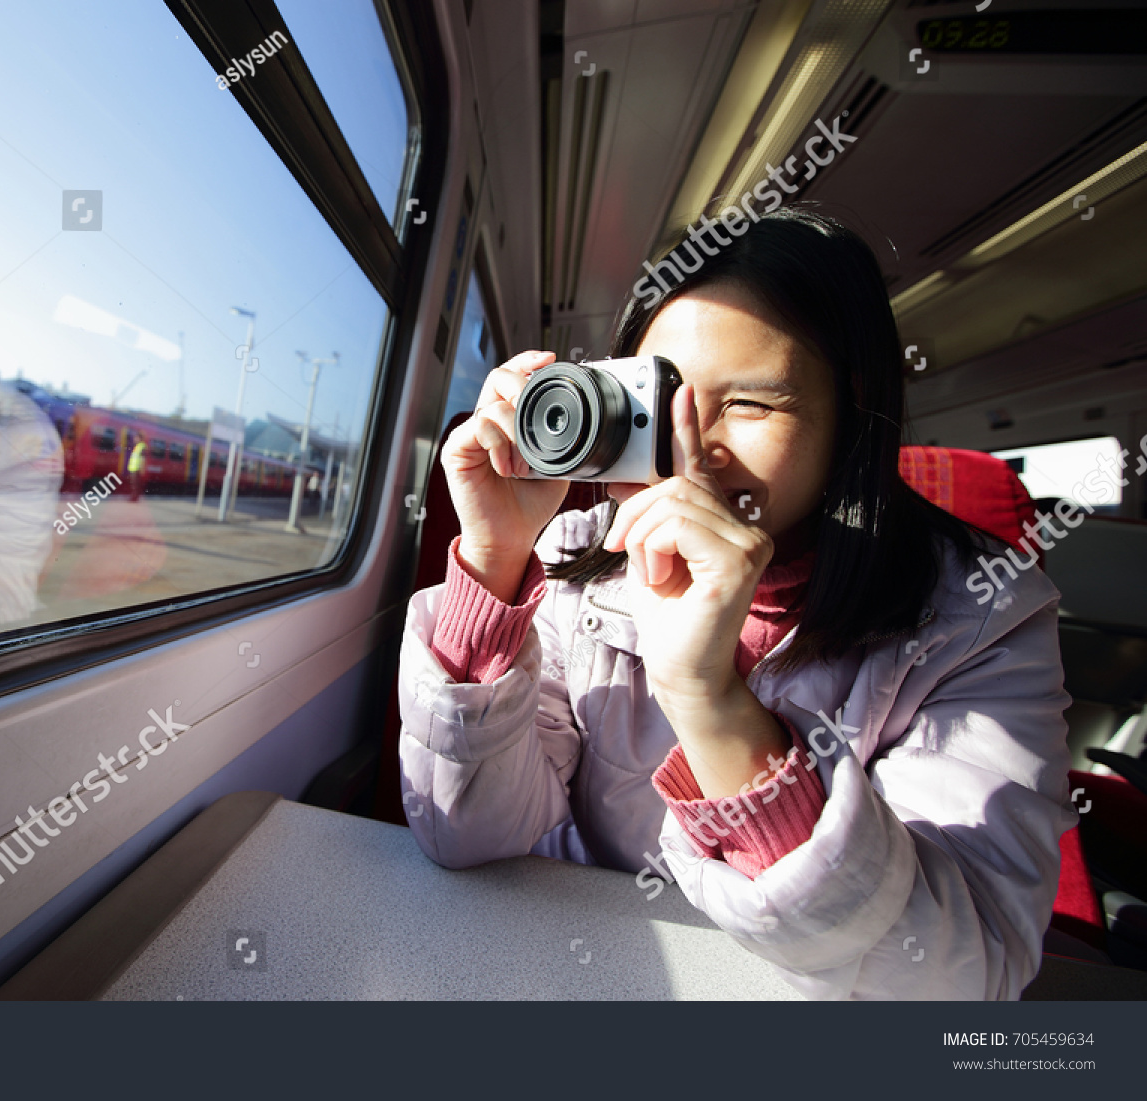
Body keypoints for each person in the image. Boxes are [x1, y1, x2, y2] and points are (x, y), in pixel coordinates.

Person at [396, 207, 1074, 999]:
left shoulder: (984, 613)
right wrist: (495, 557)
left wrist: (711, 701)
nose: (692, 451)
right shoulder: (577, 554)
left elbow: (960, 975)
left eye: (749, 406)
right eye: (658, 399)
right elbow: (467, 835)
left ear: (852, 415)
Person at [127, 436, 147, 501]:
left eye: (136, 438)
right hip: (133, 468)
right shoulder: (137, 446)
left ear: (140, 438)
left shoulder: (142, 446)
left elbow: (143, 459)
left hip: (137, 469)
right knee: (133, 484)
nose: (134, 439)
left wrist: (142, 469)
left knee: (135, 484)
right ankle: (134, 497)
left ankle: (134, 498)